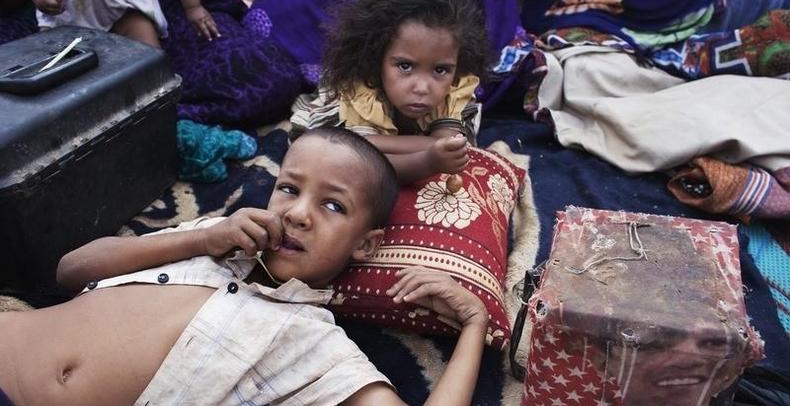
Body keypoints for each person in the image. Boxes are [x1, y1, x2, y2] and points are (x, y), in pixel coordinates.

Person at [0, 127, 490, 406]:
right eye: (289, 189)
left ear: (366, 245)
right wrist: (200, 236)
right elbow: (71, 269)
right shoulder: (203, 240)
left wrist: (473, 324)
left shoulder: (315, 344)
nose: (297, 213)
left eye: (333, 206)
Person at [289, 0, 490, 184]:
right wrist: (428, 161)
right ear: (377, 58)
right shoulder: (359, 94)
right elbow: (359, 163)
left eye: (440, 70)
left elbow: (450, 144)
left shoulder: (456, 89)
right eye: (405, 66)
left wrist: (372, 143)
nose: (421, 87)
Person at [10, 0, 220, 48]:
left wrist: (192, 6)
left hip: (124, 5)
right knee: (59, 76)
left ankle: (153, 106)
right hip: (66, 13)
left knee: (148, 62)